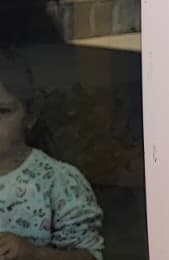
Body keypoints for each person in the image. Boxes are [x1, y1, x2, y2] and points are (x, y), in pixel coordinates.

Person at [0, 53, 103, 260]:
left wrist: (34, 253)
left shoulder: (60, 181)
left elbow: (90, 256)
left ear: (30, 116)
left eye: (2, 111)